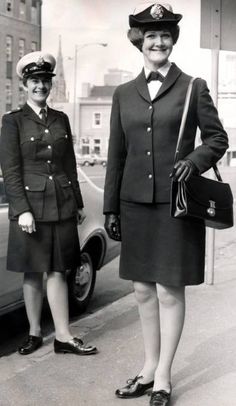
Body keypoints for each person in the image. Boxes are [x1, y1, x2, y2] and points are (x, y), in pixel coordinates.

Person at [103, 3, 228, 405]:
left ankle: (163, 377)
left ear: (173, 40)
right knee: (141, 290)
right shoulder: (123, 94)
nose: (158, 41)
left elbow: (216, 140)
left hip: (175, 205)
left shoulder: (193, 86)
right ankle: (147, 366)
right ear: (140, 40)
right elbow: (116, 155)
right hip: (134, 204)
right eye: (151, 35)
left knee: (169, 291)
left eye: (165, 35)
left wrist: (193, 162)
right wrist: (110, 208)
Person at [0, 51, 97, 356]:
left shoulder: (61, 119)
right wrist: (22, 209)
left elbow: (69, 164)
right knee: (32, 271)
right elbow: (11, 170)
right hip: (31, 208)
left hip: (62, 204)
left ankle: (64, 336)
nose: (41, 85)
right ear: (24, 85)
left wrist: (78, 204)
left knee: (59, 270)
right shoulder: (13, 122)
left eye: (45, 80)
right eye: (35, 81)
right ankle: (34, 333)